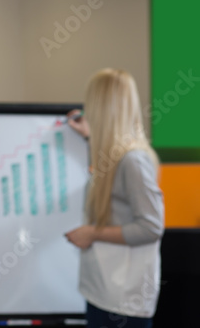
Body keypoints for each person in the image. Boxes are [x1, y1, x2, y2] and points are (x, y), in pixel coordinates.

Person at [65, 68, 164, 328]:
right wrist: (88, 137)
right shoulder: (116, 156)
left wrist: (93, 233)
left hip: (123, 300)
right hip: (105, 290)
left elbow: (151, 227)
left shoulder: (133, 161)